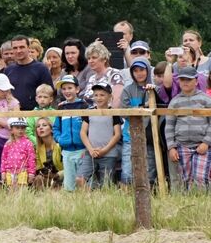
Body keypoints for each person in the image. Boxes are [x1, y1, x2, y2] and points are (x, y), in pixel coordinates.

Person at [164, 66, 211, 190]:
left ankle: (202, 203)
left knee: (201, 178)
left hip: (202, 146)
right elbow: (169, 125)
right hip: (182, 146)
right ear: (178, 81)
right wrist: (171, 147)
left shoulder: (206, 100)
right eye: (182, 79)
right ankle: (188, 204)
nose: (185, 82)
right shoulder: (174, 102)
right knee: (185, 179)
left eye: (188, 79)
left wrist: (206, 142)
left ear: (196, 81)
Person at [118, 59, 156, 187]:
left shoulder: (154, 89)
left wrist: (152, 93)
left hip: (150, 137)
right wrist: (140, 110)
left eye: (142, 70)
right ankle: (125, 196)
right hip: (130, 136)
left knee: (149, 169)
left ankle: (151, 196)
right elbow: (123, 112)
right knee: (127, 170)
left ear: (148, 70)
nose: (139, 73)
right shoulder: (127, 90)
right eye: (135, 71)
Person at [52, 75, 91, 191]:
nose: (67, 91)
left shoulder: (84, 106)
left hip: (82, 149)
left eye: (70, 88)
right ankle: (70, 204)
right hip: (67, 151)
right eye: (64, 89)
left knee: (82, 180)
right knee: (69, 184)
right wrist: (60, 139)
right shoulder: (61, 107)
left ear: (77, 89)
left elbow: (90, 126)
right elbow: (56, 127)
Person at [80, 83, 121, 189]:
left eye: (102, 95)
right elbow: (83, 132)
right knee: (80, 179)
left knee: (106, 185)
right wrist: (90, 149)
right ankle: (88, 200)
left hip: (108, 154)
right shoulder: (89, 112)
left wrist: (104, 150)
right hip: (91, 153)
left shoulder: (114, 113)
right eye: (96, 95)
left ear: (109, 96)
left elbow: (117, 135)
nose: (98, 98)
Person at [3, 36, 53, 110]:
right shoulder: (8, 70)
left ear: (28, 48)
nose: (18, 51)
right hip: (13, 115)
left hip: (35, 116)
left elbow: (49, 93)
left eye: (22, 47)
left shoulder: (41, 69)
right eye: (15, 48)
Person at [0, 118, 36, 187]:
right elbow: (3, 159)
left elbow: (31, 159)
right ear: (11, 130)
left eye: (22, 128)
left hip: (22, 171)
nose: (20, 130)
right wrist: (3, 171)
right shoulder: (8, 144)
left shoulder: (28, 143)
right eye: (17, 128)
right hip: (9, 171)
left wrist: (31, 172)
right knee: (11, 191)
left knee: (21, 190)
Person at [32, 117, 62, 189]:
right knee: (38, 178)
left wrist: (57, 175)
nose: (41, 128)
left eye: (44, 125)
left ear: (51, 129)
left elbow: (68, 167)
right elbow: (39, 167)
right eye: (38, 126)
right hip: (47, 177)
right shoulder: (38, 149)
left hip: (61, 176)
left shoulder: (60, 145)